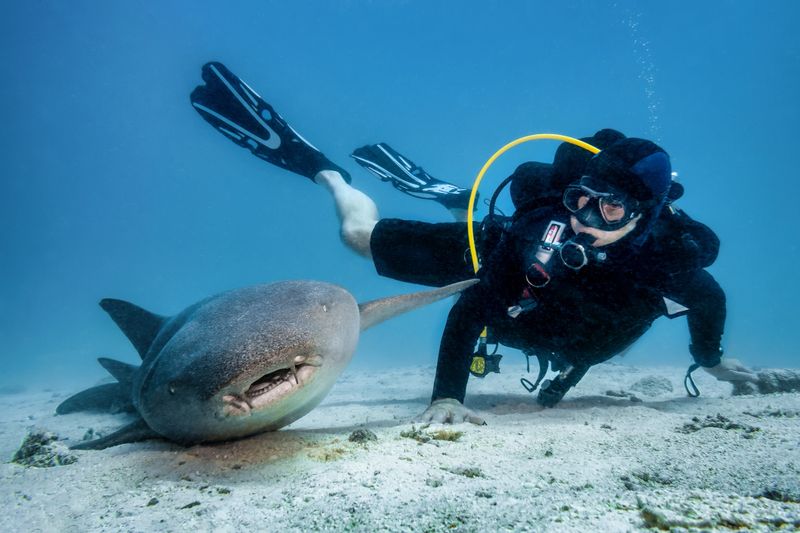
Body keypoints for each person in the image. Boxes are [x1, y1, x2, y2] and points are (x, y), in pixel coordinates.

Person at [190, 62, 759, 424]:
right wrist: (447, 398)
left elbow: (708, 302)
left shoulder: (669, 260)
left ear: (646, 215)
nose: (585, 219)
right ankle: (322, 169)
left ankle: (455, 194)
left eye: (611, 209)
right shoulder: (540, 235)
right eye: (582, 198)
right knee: (357, 237)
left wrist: (714, 362)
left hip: (571, 332)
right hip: (497, 255)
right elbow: (469, 309)